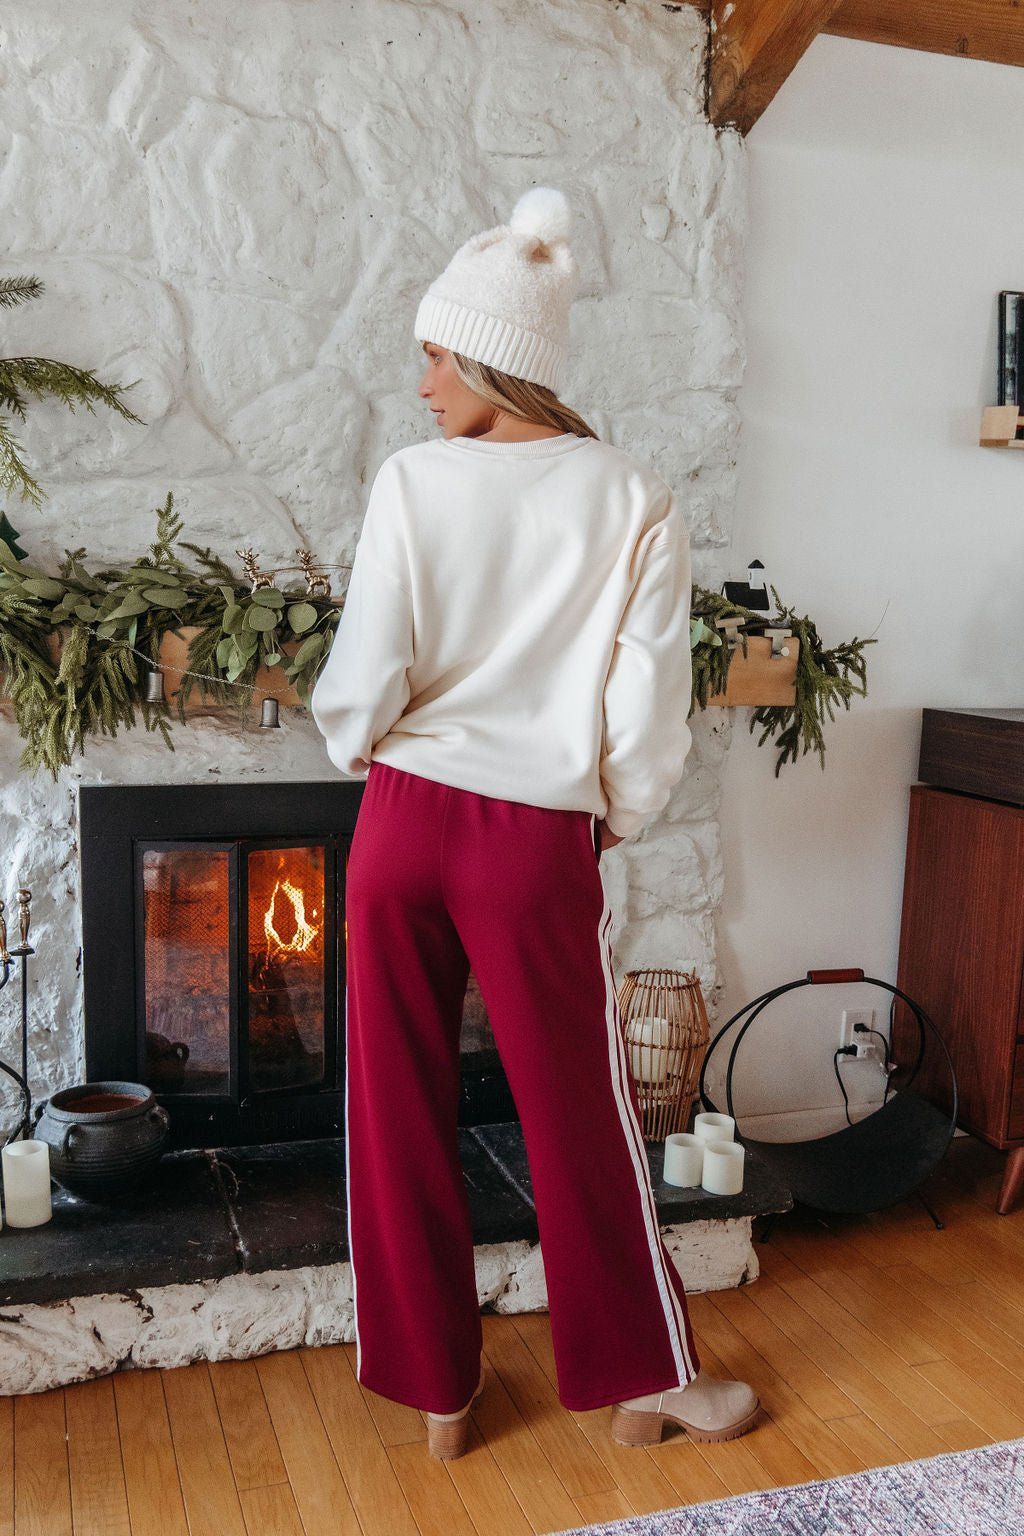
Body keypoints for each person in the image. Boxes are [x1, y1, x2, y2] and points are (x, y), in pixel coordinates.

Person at [309, 186, 759, 1460]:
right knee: (578, 1113)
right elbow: (647, 697)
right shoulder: (630, 494)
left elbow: (367, 668)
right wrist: (618, 812)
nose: (420, 387)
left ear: (488, 358)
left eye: (434, 359)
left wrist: (361, 749)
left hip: (401, 824)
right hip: (532, 838)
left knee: (393, 1110)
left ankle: (439, 1393)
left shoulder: (413, 482)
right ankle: (643, 1380)